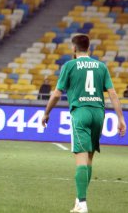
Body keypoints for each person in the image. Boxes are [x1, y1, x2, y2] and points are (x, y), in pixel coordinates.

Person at [41, 34, 126, 213]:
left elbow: (56, 94)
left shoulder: (69, 65)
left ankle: (82, 204)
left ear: (73, 48)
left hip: (80, 113)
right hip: (98, 114)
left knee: (80, 159)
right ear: (89, 48)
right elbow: (113, 94)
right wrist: (120, 118)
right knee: (88, 159)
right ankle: (79, 202)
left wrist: (46, 112)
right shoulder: (101, 66)